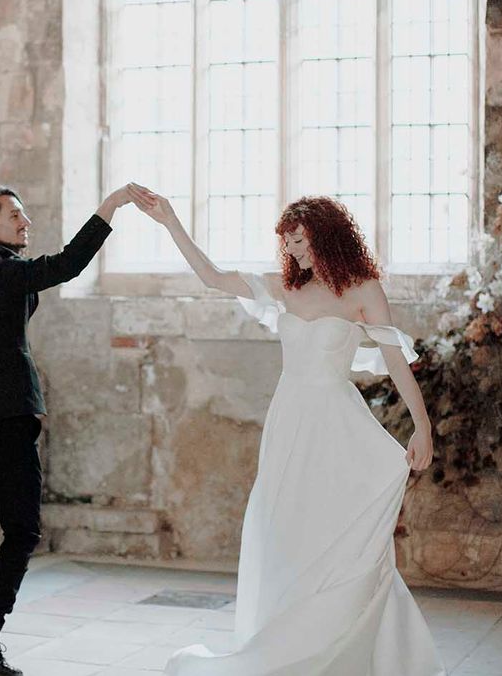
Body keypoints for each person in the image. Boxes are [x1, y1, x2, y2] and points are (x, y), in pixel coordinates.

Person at [133, 191, 445, 676]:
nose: (294, 251)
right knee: (284, 530)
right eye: (289, 243)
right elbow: (213, 277)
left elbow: (395, 362)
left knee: (339, 534)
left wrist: (422, 425)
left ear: (325, 234)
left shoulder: (364, 290)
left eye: (300, 241)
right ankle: (288, 642)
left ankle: (352, 642)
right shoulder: (286, 287)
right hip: (289, 422)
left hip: (336, 424)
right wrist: (171, 221)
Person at [0, 182, 151, 676]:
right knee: (23, 531)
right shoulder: (6, 271)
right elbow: (69, 264)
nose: (25, 222)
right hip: (5, 424)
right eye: (15, 216)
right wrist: (110, 207)